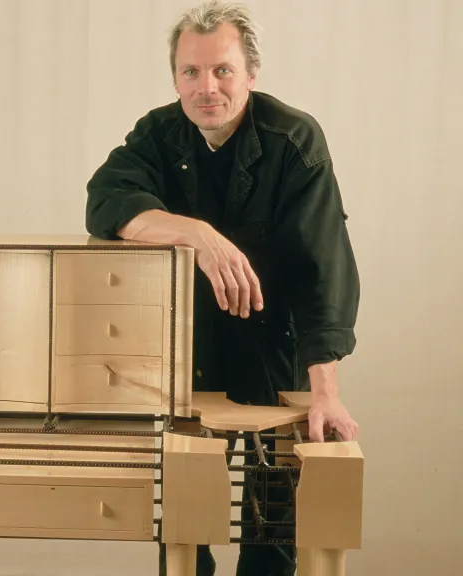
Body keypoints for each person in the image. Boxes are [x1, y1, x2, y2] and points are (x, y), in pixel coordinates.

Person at [85, 1, 360, 574]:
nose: (206, 87)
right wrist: (197, 234)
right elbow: (107, 202)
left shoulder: (295, 139)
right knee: (187, 515)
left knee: (274, 519)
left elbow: (322, 270)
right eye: (191, 71)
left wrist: (325, 392)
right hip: (188, 348)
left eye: (222, 70)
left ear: (250, 74)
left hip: (274, 345)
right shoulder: (158, 133)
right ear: (175, 79)